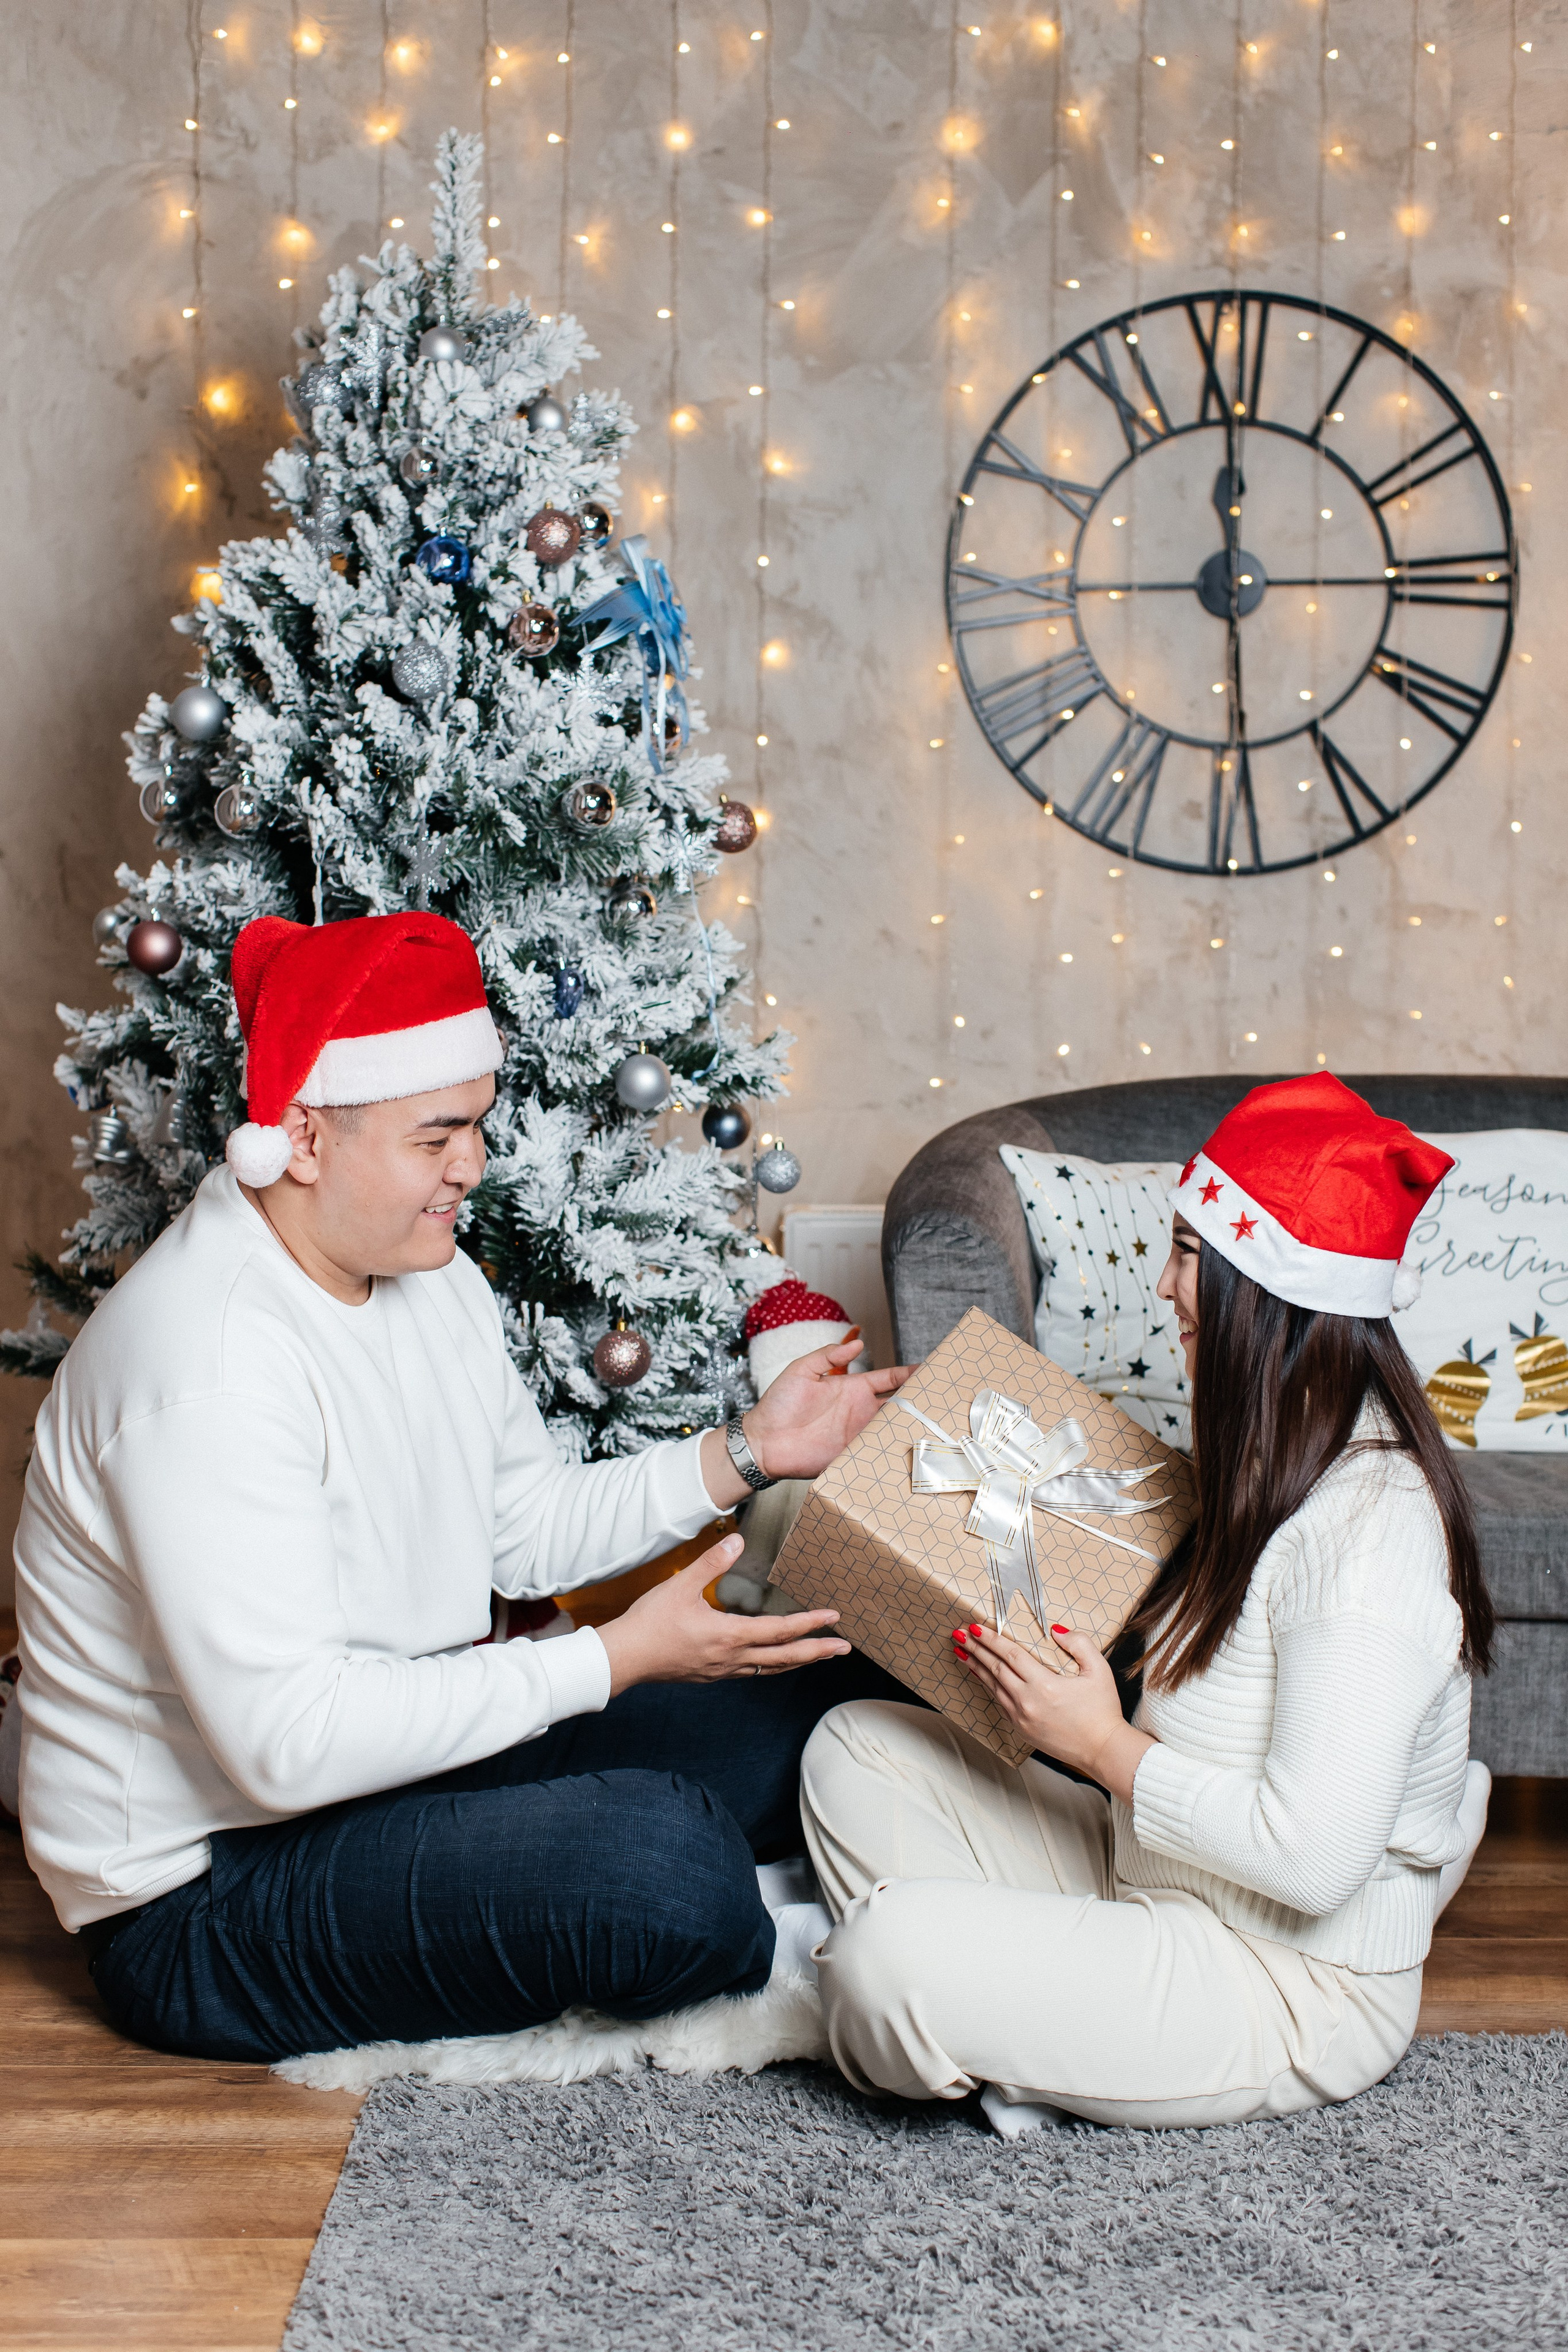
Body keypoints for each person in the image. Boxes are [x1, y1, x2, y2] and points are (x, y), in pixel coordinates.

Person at [13, 909, 910, 2064]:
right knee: (662, 1869)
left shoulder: (427, 1279)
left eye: (478, 1127)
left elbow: (523, 1531)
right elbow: (288, 1744)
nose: (472, 1168)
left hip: (400, 1768)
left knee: (823, 1693)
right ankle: (785, 1927)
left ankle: (760, 1877)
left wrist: (746, 1451)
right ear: (303, 1137)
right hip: (203, 1893)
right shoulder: (209, 1366)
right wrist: (614, 1660)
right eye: (437, 1136)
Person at [799, 1072, 1495, 2132]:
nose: (1166, 1288)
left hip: (1285, 1981)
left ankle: (991, 2019)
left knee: (883, 1961)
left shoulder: (1372, 1535)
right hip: (1157, 1875)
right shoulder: (1267, 1452)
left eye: (1188, 1257)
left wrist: (1101, 1747)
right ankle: (1038, 2039)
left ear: (1270, 1296)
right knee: (853, 1748)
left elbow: (1311, 1861)